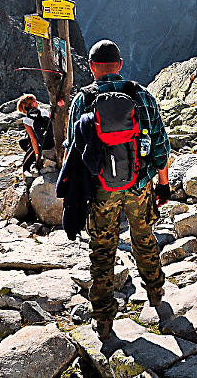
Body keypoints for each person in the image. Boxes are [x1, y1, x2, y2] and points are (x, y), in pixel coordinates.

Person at [64, 39, 171, 341]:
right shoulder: (142, 96)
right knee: (144, 237)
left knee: (102, 252)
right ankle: (156, 294)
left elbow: (72, 151)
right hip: (139, 184)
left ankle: (103, 320)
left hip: (101, 191)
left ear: (92, 67)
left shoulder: (82, 102)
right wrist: (162, 184)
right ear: (121, 66)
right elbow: (161, 148)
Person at [16, 93, 54, 173]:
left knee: (25, 165)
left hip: (42, 145)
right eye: (35, 101)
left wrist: (37, 155)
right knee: (23, 142)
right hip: (53, 140)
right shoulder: (44, 112)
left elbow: (33, 139)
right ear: (33, 104)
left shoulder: (27, 120)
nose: (37, 102)